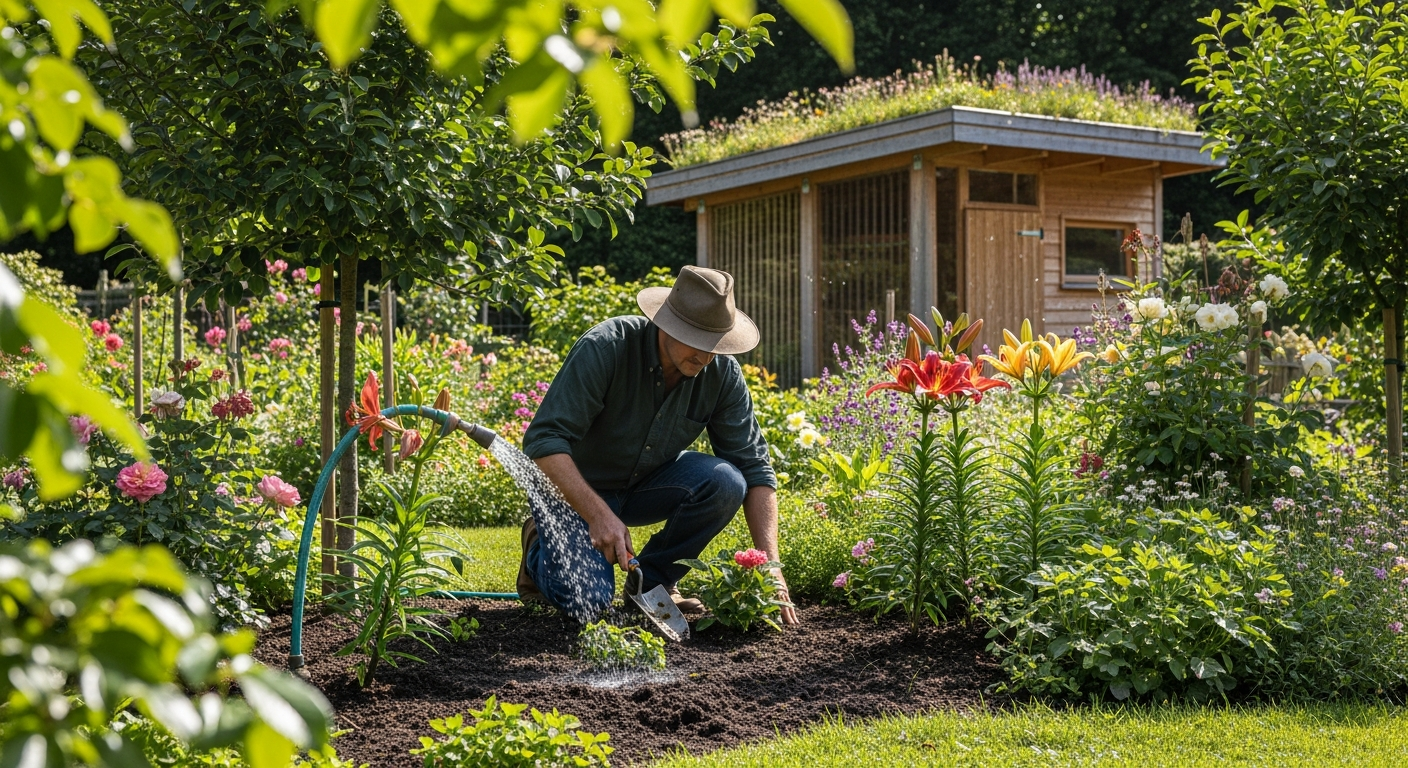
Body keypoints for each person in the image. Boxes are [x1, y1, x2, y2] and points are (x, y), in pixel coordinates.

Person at [518, 265, 798, 625]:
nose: (706, 357)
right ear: (666, 323)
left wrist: (770, 566)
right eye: (696, 341)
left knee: (728, 481)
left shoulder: (720, 373)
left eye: (715, 345)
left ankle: (654, 583)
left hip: (645, 485)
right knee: (589, 601)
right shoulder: (606, 348)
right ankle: (538, 549)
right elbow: (543, 441)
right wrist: (599, 515)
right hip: (573, 492)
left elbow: (755, 468)